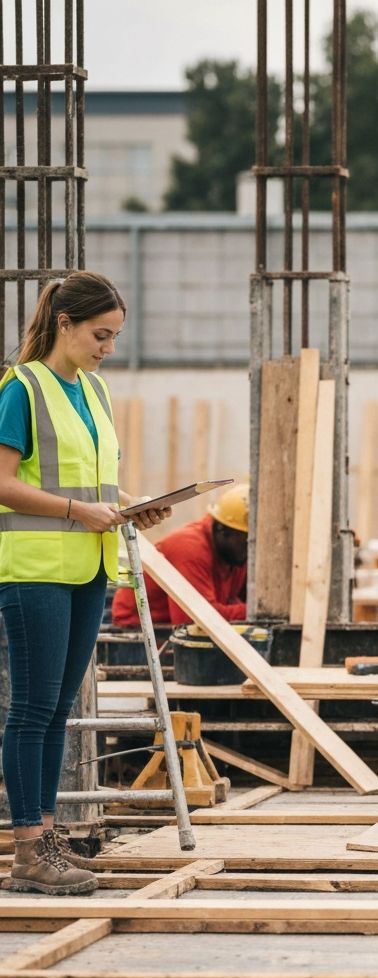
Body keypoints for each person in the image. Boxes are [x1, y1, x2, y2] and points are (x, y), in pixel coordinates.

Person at [0, 271, 169, 896]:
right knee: (33, 710)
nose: (108, 348)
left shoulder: (93, 392)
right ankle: (28, 848)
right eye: (100, 335)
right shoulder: (21, 389)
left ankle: (45, 841)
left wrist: (131, 503)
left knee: (56, 712)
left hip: (89, 567)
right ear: (64, 324)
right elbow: (3, 483)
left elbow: (90, 485)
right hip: (36, 570)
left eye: (116, 338)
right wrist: (78, 513)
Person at [110, 483, 248, 627]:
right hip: (137, 631)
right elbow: (192, 620)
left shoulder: (234, 550)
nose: (250, 548)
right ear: (222, 529)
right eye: (246, 540)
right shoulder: (190, 549)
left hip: (170, 627)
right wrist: (252, 611)